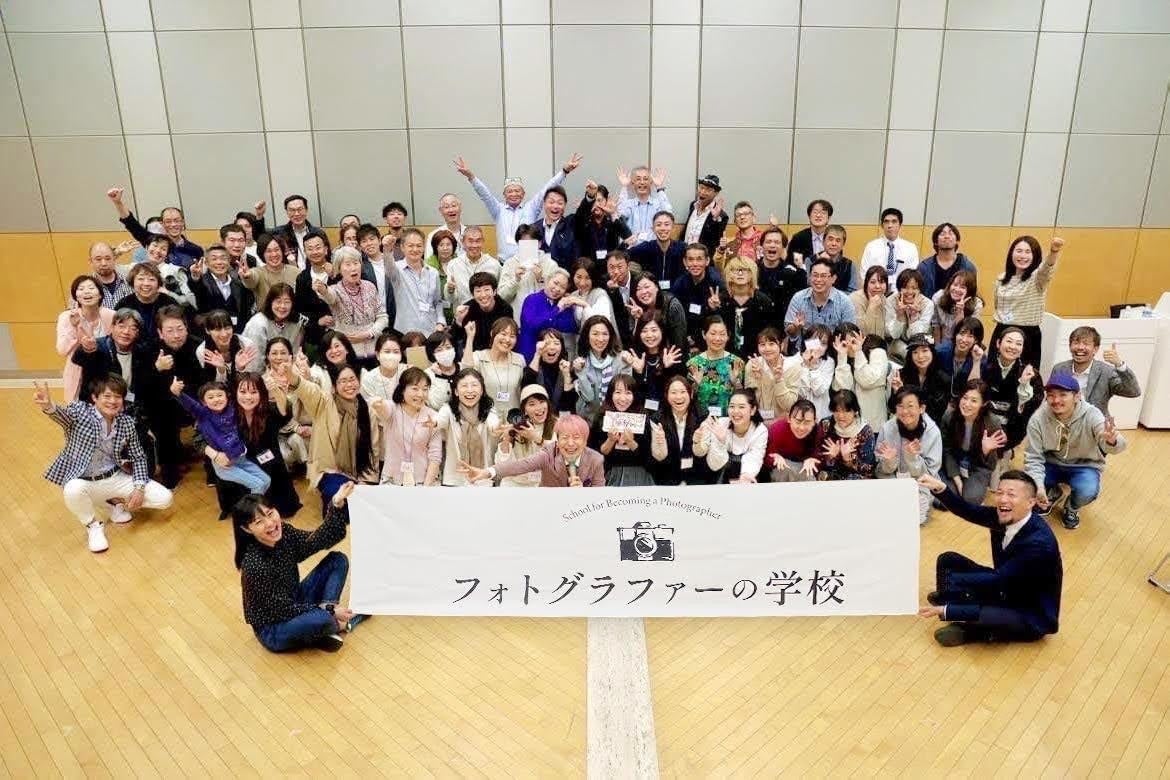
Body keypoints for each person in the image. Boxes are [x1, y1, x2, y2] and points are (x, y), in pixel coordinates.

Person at [919, 472, 1063, 649]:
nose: (1003, 499)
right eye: (999, 492)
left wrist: (950, 607)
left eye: (1011, 494)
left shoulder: (1039, 544)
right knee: (948, 560)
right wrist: (940, 488)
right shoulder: (1003, 516)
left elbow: (997, 579)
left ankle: (970, 630)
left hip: (1028, 612)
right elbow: (968, 511)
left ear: (1030, 502)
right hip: (1005, 587)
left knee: (983, 611)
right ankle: (955, 604)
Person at [34, 376, 174, 553]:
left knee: (165, 499)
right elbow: (63, 416)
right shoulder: (80, 411)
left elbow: (138, 457)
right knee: (72, 490)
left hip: (115, 476)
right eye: (107, 396)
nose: (112, 401)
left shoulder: (126, 422)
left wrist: (139, 488)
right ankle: (93, 525)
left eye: (117, 397)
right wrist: (48, 406)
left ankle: (114, 505)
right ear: (94, 397)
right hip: (86, 481)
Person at [233, 484, 363, 654]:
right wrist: (329, 612)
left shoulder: (285, 533)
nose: (270, 523)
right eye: (259, 522)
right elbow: (281, 609)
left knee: (338, 560)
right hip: (274, 627)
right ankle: (337, 625)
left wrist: (336, 503)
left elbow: (316, 540)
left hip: (294, 601)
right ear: (246, 529)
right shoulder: (254, 565)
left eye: (270, 513)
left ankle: (323, 624)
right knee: (322, 619)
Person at [1025, 372, 1127, 530]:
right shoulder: (1038, 419)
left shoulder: (1092, 414)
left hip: (1084, 465)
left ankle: (1072, 507)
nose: (1056, 400)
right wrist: (1038, 487)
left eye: (1063, 395)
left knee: (1088, 490)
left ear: (1077, 396)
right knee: (1029, 483)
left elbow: (1117, 445)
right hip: (1050, 463)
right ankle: (1052, 492)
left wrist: (1112, 441)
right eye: (1051, 395)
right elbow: (1033, 458)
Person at [286, 355, 380, 506]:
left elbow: (373, 449)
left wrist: (368, 481)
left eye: (352, 379)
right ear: (334, 387)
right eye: (343, 381)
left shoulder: (368, 410)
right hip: (330, 470)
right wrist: (292, 376)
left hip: (360, 472)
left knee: (365, 503)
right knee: (339, 496)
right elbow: (309, 390)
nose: (349, 384)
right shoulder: (325, 403)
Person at [455, 151, 582, 259]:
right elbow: (485, 195)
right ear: (504, 194)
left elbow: (546, 189)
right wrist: (471, 176)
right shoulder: (498, 210)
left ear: (523, 194)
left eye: (517, 191)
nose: (514, 194)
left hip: (528, 263)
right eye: (510, 191)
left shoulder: (531, 208)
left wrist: (564, 171)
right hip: (504, 263)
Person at [170, 376, 272, 495]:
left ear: (227, 397)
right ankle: (253, 506)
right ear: (204, 402)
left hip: (241, 457)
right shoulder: (203, 414)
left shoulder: (232, 408)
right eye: (210, 397)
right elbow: (191, 405)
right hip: (225, 465)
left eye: (219, 395)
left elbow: (240, 393)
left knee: (266, 480)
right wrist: (178, 393)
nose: (216, 399)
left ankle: (254, 502)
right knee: (258, 485)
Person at [226, 372, 301, 518]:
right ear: (235, 393)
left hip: (272, 466)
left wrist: (275, 390)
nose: (248, 397)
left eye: (254, 392)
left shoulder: (268, 410)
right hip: (245, 466)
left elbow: (285, 412)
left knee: (282, 508)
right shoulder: (229, 414)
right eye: (243, 392)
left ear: (261, 393)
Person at [461, 413, 604, 487]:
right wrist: (487, 472)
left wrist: (583, 495)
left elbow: (599, 499)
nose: (570, 443)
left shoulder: (596, 460)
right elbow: (520, 465)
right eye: (565, 438)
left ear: (585, 440)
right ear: (558, 440)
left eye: (576, 438)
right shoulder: (549, 453)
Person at [148, 305, 204, 488]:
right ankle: (170, 473)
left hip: (196, 400)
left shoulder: (199, 346)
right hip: (164, 404)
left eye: (180, 329)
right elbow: (143, 387)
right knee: (161, 418)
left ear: (187, 328)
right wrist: (157, 369)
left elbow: (206, 381)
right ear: (160, 333)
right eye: (170, 331)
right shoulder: (150, 349)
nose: (176, 335)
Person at [992, 236, 1065, 368]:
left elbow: (1046, 269)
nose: (1023, 256)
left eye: (1028, 252)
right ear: (1011, 253)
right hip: (1002, 332)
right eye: (1019, 251)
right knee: (993, 374)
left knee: (1025, 376)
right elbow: (997, 306)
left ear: (1035, 256)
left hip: (1027, 335)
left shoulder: (1037, 278)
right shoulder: (1001, 278)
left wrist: (1054, 252)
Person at [875, 387, 943, 525]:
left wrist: (913, 459)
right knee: (884, 517)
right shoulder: (887, 428)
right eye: (900, 406)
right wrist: (889, 461)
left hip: (919, 484)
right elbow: (879, 470)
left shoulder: (932, 432)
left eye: (910, 406)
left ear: (921, 408)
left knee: (913, 520)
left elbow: (930, 473)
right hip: (892, 481)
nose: (905, 411)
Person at [316, 246, 388, 365]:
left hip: (374, 350)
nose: (353, 268)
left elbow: (383, 317)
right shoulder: (336, 290)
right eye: (348, 264)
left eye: (356, 263)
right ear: (339, 268)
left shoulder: (370, 287)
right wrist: (323, 290)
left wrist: (369, 333)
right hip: (348, 354)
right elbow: (329, 297)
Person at [1051, 326, 1142, 416]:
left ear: (1095, 349)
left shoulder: (1106, 372)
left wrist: (1119, 365)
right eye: (1076, 343)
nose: (1080, 347)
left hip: (1095, 422)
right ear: (1070, 346)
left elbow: (1133, 392)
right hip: (1064, 421)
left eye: (1086, 343)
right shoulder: (1059, 369)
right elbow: (1051, 398)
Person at [941, 379, 1005, 504]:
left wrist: (986, 451)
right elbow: (947, 450)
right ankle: (960, 483)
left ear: (984, 403)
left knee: (971, 499)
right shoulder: (949, 416)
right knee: (943, 500)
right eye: (965, 398)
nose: (967, 404)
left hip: (977, 465)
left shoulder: (992, 423)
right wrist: (957, 481)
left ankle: (970, 486)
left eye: (974, 401)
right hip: (955, 460)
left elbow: (991, 465)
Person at [432, 368, 498, 487]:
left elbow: (494, 423)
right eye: (464, 386)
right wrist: (434, 422)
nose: (470, 390)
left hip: (482, 478)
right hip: (455, 479)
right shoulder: (448, 410)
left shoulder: (489, 410)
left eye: (474, 385)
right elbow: (440, 420)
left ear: (482, 390)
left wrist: (496, 429)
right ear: (456, 391)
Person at [107, 186, 203, 268]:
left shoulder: (196, 250)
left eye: (177, 220)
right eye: (168, 221)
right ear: (162, 224)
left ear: (183, 222)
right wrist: (118, 202)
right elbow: (131, 224)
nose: (173, 225)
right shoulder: (152, 240)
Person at [649, 375, 717, 486]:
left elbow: (701, 453)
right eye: (673, 392)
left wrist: (697, 441)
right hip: (667, 476)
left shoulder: (702, 416)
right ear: (666, 395)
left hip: (697, 476)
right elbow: (659, 457)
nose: (678, 397)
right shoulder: (657, 419)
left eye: (683, 392)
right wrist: (661, 443)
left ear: (690, 394)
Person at [982, 326, 1043, 450]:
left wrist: (1024, 384)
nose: (1013, 347)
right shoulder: (985, 367)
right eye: (1009, 341)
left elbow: (1028, 413)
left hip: (1011, 428)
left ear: (1022, 348)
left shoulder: (1031, 374)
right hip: (984, 425)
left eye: (1018, 344)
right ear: (998, 343)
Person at [57, 275, 115, 402]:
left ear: (100, 295)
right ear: (76, 296)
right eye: (81, 289)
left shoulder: (111, 316)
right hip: (78, 373)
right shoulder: (66, 317)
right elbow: (62, 350)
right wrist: (75, 326)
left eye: (91, 288)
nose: (86, 292)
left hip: (106, 374)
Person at [589, 374, 654, 486]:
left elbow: (648, 457)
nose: (623, 398)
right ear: (611, 394)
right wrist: (610, 440)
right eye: (618, 392)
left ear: (634, 395)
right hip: (609, 472)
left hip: (639, 473)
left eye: (628, 393)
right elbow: (595, 453)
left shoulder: (642, 416)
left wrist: (631, 442)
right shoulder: (602, 416)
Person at [784, 257, 857, 350]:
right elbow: (789, 333)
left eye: (823, 276)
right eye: (815, 275)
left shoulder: (845, 302)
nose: (818, 280)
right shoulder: (798, 298)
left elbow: (849, 334)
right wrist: (795, 327)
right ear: (809, 277)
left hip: (834, 351)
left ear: (833, 278)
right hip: (804, 351)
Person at [494, 384, 559, 487]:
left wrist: (536, 438)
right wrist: (507, 439)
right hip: (515, 483)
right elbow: (501, 464)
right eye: (532, 404)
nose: (539, 408)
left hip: (543, 484)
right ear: (524, 410)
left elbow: (560, 457)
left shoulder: (558, 425)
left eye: (542, 402)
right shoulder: (518, 425)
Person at [712, 256, 776, 359]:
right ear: (729, 275)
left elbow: (770, 332)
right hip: (723, 355)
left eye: (745, 270)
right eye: (735, 270)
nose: (740, 273)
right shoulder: (720, 300)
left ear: (752, 274)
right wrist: (713, 309)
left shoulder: (763, 301)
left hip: (755, 356)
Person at [385, 228, 446, 335]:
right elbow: (388, 267)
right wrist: (387, 250)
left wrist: (440, 322)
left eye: (419, 246)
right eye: (410, 246)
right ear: (402, 247)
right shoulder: (397, 269)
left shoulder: (433, 272)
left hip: (431, 331)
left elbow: (437, 302)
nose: (415, 249)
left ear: (423, 247)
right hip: (406, 333)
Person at [462, 318, 526, 417]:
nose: (507, 339)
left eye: (512, 336)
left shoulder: (519, 360)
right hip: (487, 419)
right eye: (503, 334)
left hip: (513, 420)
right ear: (492, 333)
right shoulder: (479, 357)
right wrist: (470, 337)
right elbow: (465, 372)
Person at [516, 269, 586, 361]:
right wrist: (557, 310)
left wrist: (546, 321)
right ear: (547, 280)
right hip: (529, 356)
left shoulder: (566, 305)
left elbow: (570, 327)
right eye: (555, 283)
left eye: (562, 287)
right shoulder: (531, 299)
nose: (557, 289)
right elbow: (531, 325)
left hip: (554, 359)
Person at [704, 388, 769, 484]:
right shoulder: (721, 424)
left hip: (748, 476)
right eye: (732, 406)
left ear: (752, 410)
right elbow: (714, 465)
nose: (735, 411)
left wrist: (746, 474)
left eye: (741, 407)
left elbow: (755, 456)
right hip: (720, 474)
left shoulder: (760, 430)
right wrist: (721, 442)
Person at [574, 315, 630, 421]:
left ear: (610, 336)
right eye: (595, 334)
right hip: (589, 419)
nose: (600, 339)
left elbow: (625, 395)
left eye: (605, 334)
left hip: (616, 418)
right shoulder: (582, 362)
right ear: (587, 336)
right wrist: (581, 373)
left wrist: (629, 366)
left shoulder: (622, 359)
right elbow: (588, 397)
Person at [687, 315, 745, 416]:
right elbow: (686, 398)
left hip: (730, 420)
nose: (717, 338)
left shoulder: (736, 362)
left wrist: (735, 382)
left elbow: (743, 398)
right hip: (700, 420)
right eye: (713, 333)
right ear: (704, 334)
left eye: (722, 334)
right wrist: (696, 385)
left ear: (728, 336)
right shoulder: (693, 364)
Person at [813, 389, 877, 481]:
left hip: (855, 478)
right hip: (830, 475)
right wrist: (830, 457)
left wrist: (848, 460)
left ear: (855, 411)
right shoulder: (825, 424)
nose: (840, 416)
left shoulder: (865, 432)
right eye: (837, 411)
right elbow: (815, 457)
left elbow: (869, 469)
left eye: (846, 411)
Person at [624, 316, 684, 411]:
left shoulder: (672, 355)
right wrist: (639, 373)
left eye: (654, 330)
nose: (649, 335)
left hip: (667, 411)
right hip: (640, 410)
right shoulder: (635, 357)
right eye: (644, 331)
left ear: (662, 331)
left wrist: (667, 369)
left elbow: (677, 391)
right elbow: (632, 393)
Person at [670, 243, 725, 345]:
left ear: (707, 261)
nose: (695, 264)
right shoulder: (680, 283)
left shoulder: (716, 282)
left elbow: (722, 318)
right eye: (690, 259)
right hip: (686, 335)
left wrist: (714, 308)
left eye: (699, 259)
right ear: (685, 262)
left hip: (708, 337)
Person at [292, 230, 336, 353]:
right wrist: (317, 322)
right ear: (305, 252)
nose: (315, 252)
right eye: (310, 249)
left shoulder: (338, 272)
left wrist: (334, 276)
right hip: (315, 338)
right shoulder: (302, 278)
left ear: (326, 250)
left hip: (341, 335)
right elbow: (299, 312)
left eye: (318, 247)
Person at [744, 327, 801, 422]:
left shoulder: (793, 366)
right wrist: (759, 379)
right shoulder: (752, 364)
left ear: (781, 345)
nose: (767, 349)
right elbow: (749, 402)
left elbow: (789, 405)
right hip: (757, 421)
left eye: (771, 344)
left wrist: (779, 380)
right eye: (762, 345)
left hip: (782, 422)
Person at [190, 244, 255, 326]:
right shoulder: (202, 283)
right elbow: (198, 294)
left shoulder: (239, 284)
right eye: (214, 259)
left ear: (229, 261)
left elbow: (247, 309)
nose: (219, 262)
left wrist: (247, 279)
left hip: (238, 330)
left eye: (223, 258)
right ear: (206, 263)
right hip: (211, 329)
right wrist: (196, 278)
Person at [115, 263, 180, 345]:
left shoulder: (169, 302)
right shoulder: (124, 304)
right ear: (133, 281)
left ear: (158, 283)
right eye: (141, 279)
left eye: (151, 279)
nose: (146, 283)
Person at [890, 335, 949, 424]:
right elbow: (892, 407)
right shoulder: (901, 375)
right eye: (915, 352)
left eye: (925, 351)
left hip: (929, 427)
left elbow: (936, 412)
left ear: (932, 352)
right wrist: (897, 392)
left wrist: (905, 394)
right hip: (904, 425)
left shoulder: (943, 379)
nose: (920, 356)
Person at [498, 224, 560, 307]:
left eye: (531, 243)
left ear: (539, 243)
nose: (527, 247)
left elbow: (556, 296)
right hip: (517, 313)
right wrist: (515, 280)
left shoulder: (551, 264)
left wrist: (541, 280)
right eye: (523, 244)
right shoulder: (509, 263)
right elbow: (502, 297)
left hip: (542, 313)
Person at [196, 309, 261, 384]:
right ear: (207, 330)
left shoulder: (246, 345)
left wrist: (240, 368)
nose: (224, 334)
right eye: (217, 330)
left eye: (227, 328)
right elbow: (212, 385)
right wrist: (221, 369)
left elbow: (251, 379)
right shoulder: (202, 351)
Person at [444, 226, 500, 311]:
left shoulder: (494, 264)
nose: (474, 245)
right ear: (463, 242)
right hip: (463, 314)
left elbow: (499, 294)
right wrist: (450, 290)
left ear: (483, 242)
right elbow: (451, 300)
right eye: (470, 241)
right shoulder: (453, 265)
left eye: (478, 241)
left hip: (488, 314)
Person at [756, 226, 807, 318]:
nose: (772, 245)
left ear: (783, 248)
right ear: (762, 246)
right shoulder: (752, 270)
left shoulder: (791, 272)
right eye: (768, 242)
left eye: (777, 242)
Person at [572, 181, 631, 260]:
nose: (596, 204)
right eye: (594, 201)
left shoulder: (613, 220)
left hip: (610, 264)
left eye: (600, 200)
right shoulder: (584, 221)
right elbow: (579, 219)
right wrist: (587, 203)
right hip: (589, 264)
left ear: (606, 201)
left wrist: (613, 214)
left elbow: (628, 236)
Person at [764, 398, 820, 482]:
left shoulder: (818, 432)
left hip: (805, 472)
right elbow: (764, 457)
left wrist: (813, 460)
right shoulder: (777, 430)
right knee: (782, 470)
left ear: (814, 421)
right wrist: (774, 458)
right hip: (782, 471)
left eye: (807, 423)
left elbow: (821, 458)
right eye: (798, 422)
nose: (801, 428)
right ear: (789, 419)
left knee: (808, 472)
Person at [859, 207, 919, 284]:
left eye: (894, 221)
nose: (890, 225)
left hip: (901, 289)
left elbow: (913, 275)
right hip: (876, 288)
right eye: (886, 222)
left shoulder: (910, 248)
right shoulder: (871, 246)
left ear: (900, 225)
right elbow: (864, 273)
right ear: (882, 225)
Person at [243, 283, 305, 358]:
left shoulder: (296, 323)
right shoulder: (258, 324)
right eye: (278, 301)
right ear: (270, 302)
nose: (282, 306)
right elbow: (254, 359)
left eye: (287, 302)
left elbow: (294, 354)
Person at [884, 268, 933, 361]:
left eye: (914, 288)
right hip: (897, 341)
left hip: (922, 341)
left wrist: (914, 316)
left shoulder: (927, 304)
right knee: (900, 347)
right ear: (899, 288)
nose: (909, 292)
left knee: (922, 353)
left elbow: (919, 336)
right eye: (905, 287)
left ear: (920, 289)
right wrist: (899, 315)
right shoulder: (891, 301)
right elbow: (892, 335)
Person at [522, 330, 576, 412]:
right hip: (538, 416)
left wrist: (566, 376)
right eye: (547, 343)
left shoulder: (568, 369)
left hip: (562, 417)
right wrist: (537, 354)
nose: (552, 347)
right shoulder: (533, 368)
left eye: (556, 343)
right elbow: (526, 390)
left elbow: (569, 405)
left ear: (562, 348)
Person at [918, 222, 977, 298]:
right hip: (931, 305)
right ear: (935, 242)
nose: (947, 236)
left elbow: (972, 295)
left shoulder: (968, 267)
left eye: (951, 233)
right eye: (942, 234)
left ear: (957, 241)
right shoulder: (924, 267)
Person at [616, 165, 671, 244]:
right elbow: (619, 216)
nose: (642, 182)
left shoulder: (657, 204)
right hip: (632, 248)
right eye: (638, 179)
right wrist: (624, 186)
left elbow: (668, 216)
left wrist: (659, 187)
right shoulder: (628, 204)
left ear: (650, 183)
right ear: (633, 183)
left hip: (653, 248)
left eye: (645, 179)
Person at [240, 233, 299, 305]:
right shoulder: (259, 272)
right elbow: (251, 280)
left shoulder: (295, 271)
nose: (274, 254)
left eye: (277, 250)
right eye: (268, 251)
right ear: (262, 254)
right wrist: (247, 277)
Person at [937, 316, 985, 403]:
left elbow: (974, 388)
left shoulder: (980, 357)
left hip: (964, 401)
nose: (964, 340)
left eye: (970, 336)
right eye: (961, 334)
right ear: (956, 334)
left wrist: (976, 361)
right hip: (940, 398)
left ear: (976, 340)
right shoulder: (941, 351)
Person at [629, 211, 686, 284]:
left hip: (676, 290)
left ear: (673, 227)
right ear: (653, 229)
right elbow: (622, 255)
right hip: (651, 289)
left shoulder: (682, 248)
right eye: (658, 225)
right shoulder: (645, 248)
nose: (663, 228)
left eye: (667, 224)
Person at [681, 173, 729, 259]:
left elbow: (716, 241)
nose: (702, 192)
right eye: (701, 187)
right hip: (686, 255)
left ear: (716, 193)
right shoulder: (693, 205)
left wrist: (715, 219)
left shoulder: (721, 216)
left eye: (708, 190)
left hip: (702, 260)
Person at [932, 270, 982, 348]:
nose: (957, 289)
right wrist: (937, 348)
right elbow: (936, 326)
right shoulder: (938, 297)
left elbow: (966, 334)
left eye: (962, 287)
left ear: (969, 291)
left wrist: (960, 312)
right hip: (945, 341)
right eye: (955, 285)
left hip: (965, 343)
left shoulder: (976, 304)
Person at [534, 186, 578, 269]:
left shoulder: (571, 226)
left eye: (560, 203)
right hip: (539, 275)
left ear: (565, 205)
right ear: (544, 203)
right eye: (551, 202)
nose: (555, 206)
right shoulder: (533, 228)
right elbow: (527, 260)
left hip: (564, 275)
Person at [272, 194, 317, 267]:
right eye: (292, 210)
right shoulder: (278, 233)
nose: (296, 214)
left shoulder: (317, 233)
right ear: (287, 212)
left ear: (306, 210)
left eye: (300, 209)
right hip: (289, 272)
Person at [787, 199, 833, 265]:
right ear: (809, 216)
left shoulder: (833, 238)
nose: (818, 215)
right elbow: (792, 263)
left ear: (829, 218)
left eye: (823, 213)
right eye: (815, 212)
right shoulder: (799, 238)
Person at [850, 265, 889, 341]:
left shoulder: (883, 298)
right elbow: (861, 332)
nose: (877, 286)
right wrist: (871, 307)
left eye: (881, 282)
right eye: (873, 282)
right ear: (866, 283)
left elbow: (884, 332)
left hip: (878, 344)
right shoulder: (855, 299)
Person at [88, 241, 132, 308]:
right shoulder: (83, 287)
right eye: (98, 259)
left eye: (108, 259)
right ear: (90, 262)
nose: (104, 263)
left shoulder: (130, 282)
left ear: (114, 259)